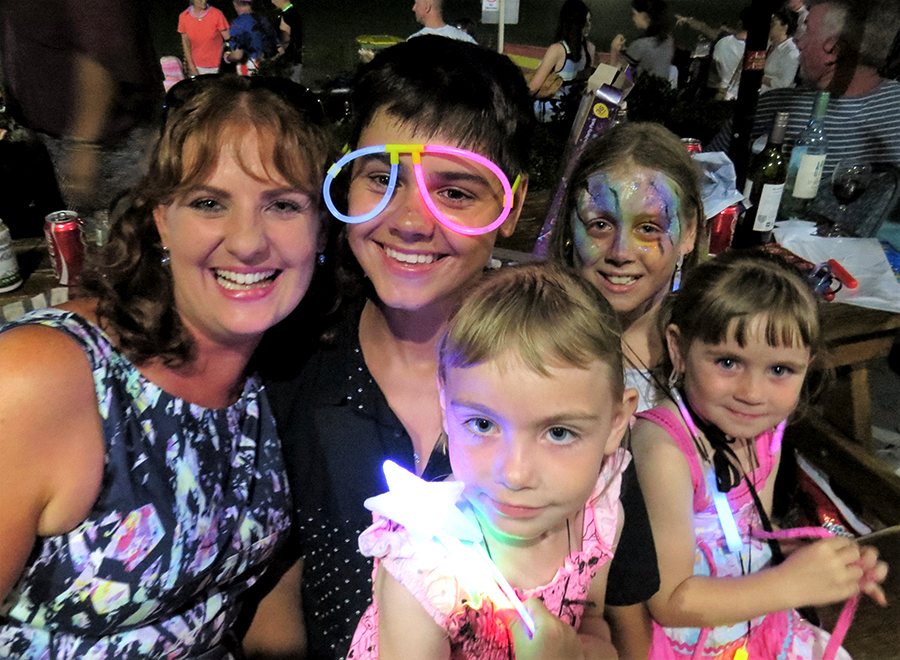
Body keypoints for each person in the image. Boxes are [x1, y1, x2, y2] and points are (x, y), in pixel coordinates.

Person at [249, 36, 658, 660]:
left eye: (458, 191)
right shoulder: (293, 371)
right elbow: (272, 591)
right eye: (381, 179)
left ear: (513, 204)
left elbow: (617, 620)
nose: (410, 221)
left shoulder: (569, 384)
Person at [0, 74, 333, 659]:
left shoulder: (274, 381)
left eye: (282, 204)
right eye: (209, 203)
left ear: (320, 228)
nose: (248, 242)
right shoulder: (42, 378)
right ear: (160, 219)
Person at [346, 263, 639, 659]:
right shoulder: (424, 568)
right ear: (445, 403)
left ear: (616, 423)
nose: (515, 473)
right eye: (483, 424)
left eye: (559, 433)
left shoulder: (597, 518)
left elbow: (591, 620)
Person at [631, 249, 888, 658]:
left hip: (755, 624)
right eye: (729, 362)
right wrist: (791, 585)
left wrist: (816, 563)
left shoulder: (765, 430)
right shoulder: (664, 449)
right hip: (691, 643)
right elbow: (670, 602)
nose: (752, 394)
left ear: (808, 364)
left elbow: (747, 537)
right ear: (678, 349)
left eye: (780, 370)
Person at [548, 122, 705, 415]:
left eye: (648, 228)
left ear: (689, 233)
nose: (620, 252)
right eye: (601, 225)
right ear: (571, 223)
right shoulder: (532, 346)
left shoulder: (710, 359)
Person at [0, 0, 163, 237]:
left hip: (106, 142)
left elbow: (105, 48)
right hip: (58, 140)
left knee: (122, 248)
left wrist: (84, 143)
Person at [706, 0, 900, 181]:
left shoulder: (778, 107)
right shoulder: (894, 107)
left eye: (806, 29)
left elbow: (706, 168)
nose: (798, 42)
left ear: (833, 49)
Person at [529, 0, 596, 123]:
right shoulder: (590, 49)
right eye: (587, 21)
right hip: (573, 115)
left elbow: (533, 87)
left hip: (549, 115)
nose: (588, 25)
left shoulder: (558, 50)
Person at [610, 0, 675, 81]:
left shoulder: (639, 45)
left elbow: (619, 80)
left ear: (644, 16)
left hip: (640, 92)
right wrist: (625, 52)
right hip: (660, 91)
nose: (633, 18)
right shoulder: (668, 41)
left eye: (634, 14)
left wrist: (614, 51)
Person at [225, 0, 280, 76]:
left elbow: (237, 56)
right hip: (267, 68)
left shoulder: (237, 24)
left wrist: (228, 57)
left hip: (247, 69)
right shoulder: (264, 20)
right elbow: (279, 49)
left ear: (235, 3)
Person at [708, 6, 750, 101]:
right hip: (738, 97)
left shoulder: (722, 42)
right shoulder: (754, 51)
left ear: (741, 22)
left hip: (719, 94)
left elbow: (713, 74)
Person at [178, 0, 230, 76]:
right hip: (198, 67)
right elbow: (186, 43)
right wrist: (191, 66)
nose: (204, 1)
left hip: (217, 66)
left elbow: (228, 39)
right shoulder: (184, 17)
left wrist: (226, 58)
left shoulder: (216, 14)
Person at [762, 5, 801, 93]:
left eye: (773, 24)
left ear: (784, 27)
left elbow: (784, 83)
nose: (769, 26)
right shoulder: (770, 45)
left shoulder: (791, 51)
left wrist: (762, 79)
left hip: (774, 96)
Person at [409, 0, 477, 43]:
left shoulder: (413, 42)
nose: (413, 8)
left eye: (416, 3)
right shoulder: (465, 39)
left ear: (427, 7)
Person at [271, 0, 303, 82]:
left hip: (287, 62)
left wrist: (277, 56)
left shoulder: (287, 16)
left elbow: (286, 39)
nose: (272, 2)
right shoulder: (292, 14)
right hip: (293, 59)